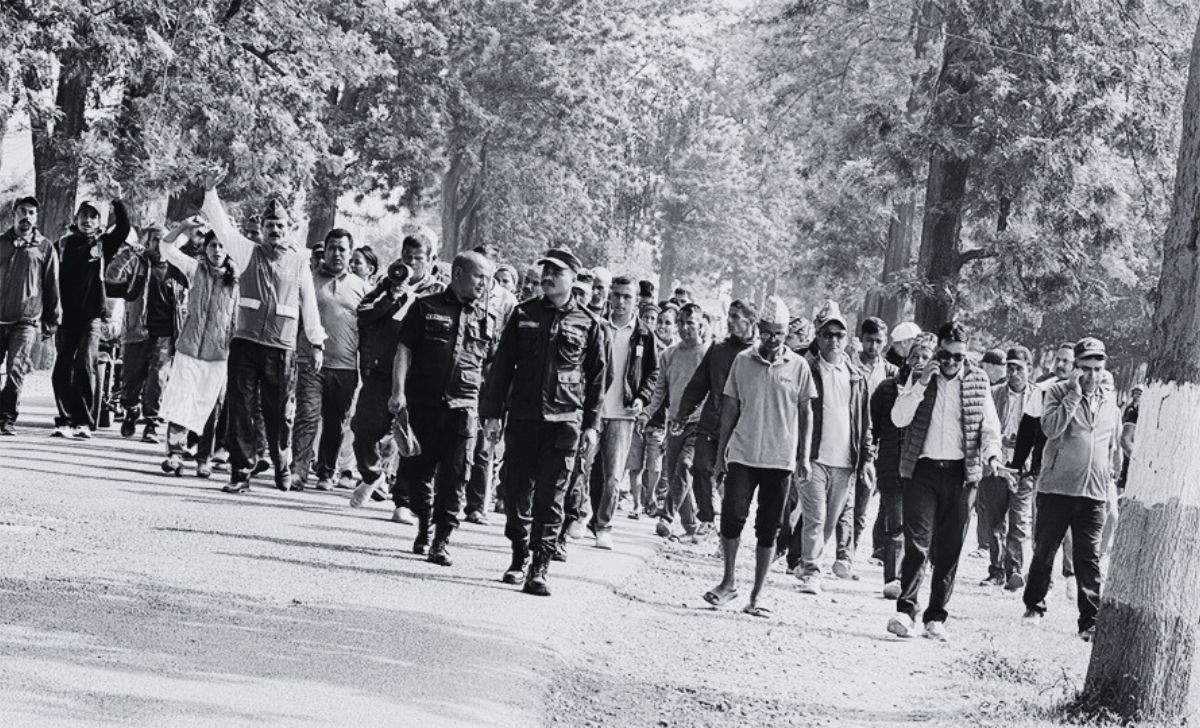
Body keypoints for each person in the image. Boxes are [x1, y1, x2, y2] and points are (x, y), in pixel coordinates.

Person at [480, 247, 606, 596]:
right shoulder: (522, 315)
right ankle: (519, 554)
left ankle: (540, 566)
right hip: (523, 417)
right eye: (545, 270)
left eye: (557, 271)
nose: (548, 276)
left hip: (565, 422)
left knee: (552, 497)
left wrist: (592, 426)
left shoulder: (588, 324)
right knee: (515, 490)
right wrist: (492, 415)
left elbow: (598, 379)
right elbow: (502, 368)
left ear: (573, 279)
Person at [201, 173, 326, 493]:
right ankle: (240, 472)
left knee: (280, 411)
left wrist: (315, 341)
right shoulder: (246, 252)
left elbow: (308, 302)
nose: (275, 231)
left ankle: (281, 463)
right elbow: (222, 227)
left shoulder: (299, 261)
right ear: (264, 229)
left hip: (280, 347)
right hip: (245, 343)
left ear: (288, 230)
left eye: (280, 226)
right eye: (270, 226)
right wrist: (210, 190)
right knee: (240, 408)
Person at [887, 321, 1004, 641]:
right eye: (946, 355)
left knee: (950, 548)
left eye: (958, 357)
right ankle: (905, 610)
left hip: (961, 475)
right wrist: (922, 382)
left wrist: (993, 456)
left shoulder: (978, 380)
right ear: (937, 350)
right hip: (922, 471)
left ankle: (935, 617)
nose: (952, 363)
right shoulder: (919, 377)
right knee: (917, 544)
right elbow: (899, 418)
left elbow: (990, 427)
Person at [703, 296, 815, 618]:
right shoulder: (742, 360)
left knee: (769, 527)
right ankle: (728, 582)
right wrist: (722, 453)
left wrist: (804, 457)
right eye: (766, 332)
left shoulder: (798, 366)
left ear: (785, 333)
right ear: (758, 329)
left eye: (778, 333)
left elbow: (807, 412)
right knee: (732, 517)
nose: (772, 340)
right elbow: (730, 409)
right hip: (742, 453)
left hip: (779, 459)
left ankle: (758, 593)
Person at [389, 251, 497, 563]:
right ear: (459, 273)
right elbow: (403, 351)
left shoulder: (487, 320)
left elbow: (493, 370)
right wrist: (398, 393)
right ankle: (424, 525)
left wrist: (492, 411)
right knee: (417, 472)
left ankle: (442, 539)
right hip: (424, 405)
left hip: (463, 410)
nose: (484, 284)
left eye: (488, 279)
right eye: (479, 277)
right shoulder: (426, 306)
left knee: (456, 476)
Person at [1022, 337, 1122, 642]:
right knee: (1045, 550)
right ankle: (1034, 606)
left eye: (1098, 368)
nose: (1092, 375)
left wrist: (1111, 472)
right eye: (1086, 369)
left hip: (1093, 491)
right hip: (1057, 488)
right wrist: (1074, 395)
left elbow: (1111, 439)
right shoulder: (1054, 391)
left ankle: (1089, 621)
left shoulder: (1109, 398)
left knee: (1088, 557)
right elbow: (1051, 429)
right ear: (1075, 369)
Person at [348, 232, 444, 512]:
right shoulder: (388, 283)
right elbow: (363, 314)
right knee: (363, 429)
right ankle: (372, 474)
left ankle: (403, 501)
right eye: (407, 257)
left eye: (418, 258)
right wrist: (392, 296)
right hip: (382, 371)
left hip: (418, 377)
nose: (411, 263)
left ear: (432, 260)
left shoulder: (438, 292)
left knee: (411, 440)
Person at [793, 301, 873, 592]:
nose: (833, 341)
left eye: (839, 335)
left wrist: (866, 459)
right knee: (815, 516)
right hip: (813, 457)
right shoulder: (806, 368)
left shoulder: (855, 377)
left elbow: (865, 423)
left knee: (829, 522)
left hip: (844, 461)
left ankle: (806, 561)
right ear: (818, 336)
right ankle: (813, 571)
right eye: (828, 334)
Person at [291, 228, 371, 491]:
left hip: (346, 367)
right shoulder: (308, 280)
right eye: (332, 248)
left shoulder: (363, 288)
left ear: (350, 253)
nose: (337, 253)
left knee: (335, 422)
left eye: (342, 249)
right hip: (310, 361)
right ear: (324, 251)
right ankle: (299, 471)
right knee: (307, 416)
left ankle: (326, 472)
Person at [158, 224, 239, 478]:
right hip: (189, 347)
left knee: (210, 406)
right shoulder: (195, 269)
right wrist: (184, 227)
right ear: (205, 248)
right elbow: (166, 247)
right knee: (182, 399)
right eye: (213, 245)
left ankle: (203, 457)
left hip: (218, 353)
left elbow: (237, 318)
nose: (218, 250)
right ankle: (174, 453)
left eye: (222, 246)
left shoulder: (237, 280)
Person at [583, 275, 658, 550]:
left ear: (636, 300)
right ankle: (579, 515)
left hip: (623, 413)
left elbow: (653, 372)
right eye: (616, 295)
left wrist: (641, 397)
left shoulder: (644, 334)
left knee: (613, 474)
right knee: (583, 467)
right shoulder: (597, 325)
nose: (620, 301)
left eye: (627, 296)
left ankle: (604, 524)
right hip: (593, 409)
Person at [677, 299, 758, 535]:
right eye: (729, 316)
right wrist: (682, 413)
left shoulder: (757, 354)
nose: (730, 322)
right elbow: (698, 384)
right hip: (711, 422)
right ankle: (706, 518)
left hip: (742, 430)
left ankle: (729, 533)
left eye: (735, 317)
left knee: (733, 484)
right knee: (699, 466)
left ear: (751, 321)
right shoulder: (718, 349)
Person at [53, 198, 131, 438]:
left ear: (99, 222)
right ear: (76, 218)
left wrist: (118, 201)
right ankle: (65, 419)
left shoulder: (102, 244)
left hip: (91, 317)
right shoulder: (62, 245)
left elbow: (124, 228)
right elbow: (50, 279)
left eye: (93, 216)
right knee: (62, 368)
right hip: (65, 317)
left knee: (86, 365)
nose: (87, 220)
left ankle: (83, 422)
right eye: (84, 215)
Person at [870, 332, 937, 598]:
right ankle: (893, 578)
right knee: (894, 522)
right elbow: (874, 426)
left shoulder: (936, 391)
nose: (919, 361)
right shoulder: (887, 388)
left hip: (921, 468)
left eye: (925, 357)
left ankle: (914, 575)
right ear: (906, 360)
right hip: (891, 465)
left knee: (919, 526)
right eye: (915, 357)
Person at [641, 302, 708, 541]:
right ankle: (691, 526)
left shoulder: (709, 354)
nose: (685, 327)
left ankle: (666, 517)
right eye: (681, 322)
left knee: (685, 466)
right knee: (675, 472)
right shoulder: (669, 354)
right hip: (674, 422)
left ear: (700, 325)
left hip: (700, 423)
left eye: (691, 323)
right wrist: (646, 413)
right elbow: (660, 390)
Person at [120, 224, 187, 445]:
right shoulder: (138, 263)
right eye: (155, 240)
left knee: (157, 379)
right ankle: (131, 409)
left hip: (165, 333)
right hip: (137, 331)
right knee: (131, 380)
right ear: (147, 243)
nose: (159, 245)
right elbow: (112, 276)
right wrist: (129, 252)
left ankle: (151, 423)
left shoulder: (178, 268)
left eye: (164, 240)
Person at [0, 195, 60, 435]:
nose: (26, 216)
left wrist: (53, 320)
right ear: (14, 213)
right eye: (22, 211)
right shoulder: (1, 243)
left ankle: (6, 419)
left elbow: (52, 285)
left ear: (36, 218)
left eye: (31, 212)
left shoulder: (45, 247)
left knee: (16, 369)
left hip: (26, 320)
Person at [977, 346, 1036, 591]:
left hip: (1024, 468)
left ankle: (1015, 569)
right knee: (994, 520)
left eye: (1019, 368)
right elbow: (985, 429)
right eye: (1009, 368)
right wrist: (1000, 442)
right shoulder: (992, 394)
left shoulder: (1038, 397)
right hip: (996, 465)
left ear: (1029, 370)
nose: (1013, 373)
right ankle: (996, 570)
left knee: (1019, 521)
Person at [626, 302, 668, 518]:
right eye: (649, 318)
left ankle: (650, 496)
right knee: (635, 463)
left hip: (659, 416)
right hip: (636, 410)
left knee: (655, 464)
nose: (653, 323)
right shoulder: (635, 341)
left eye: (657, 320)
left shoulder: (667, 352)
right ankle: (635, 503)